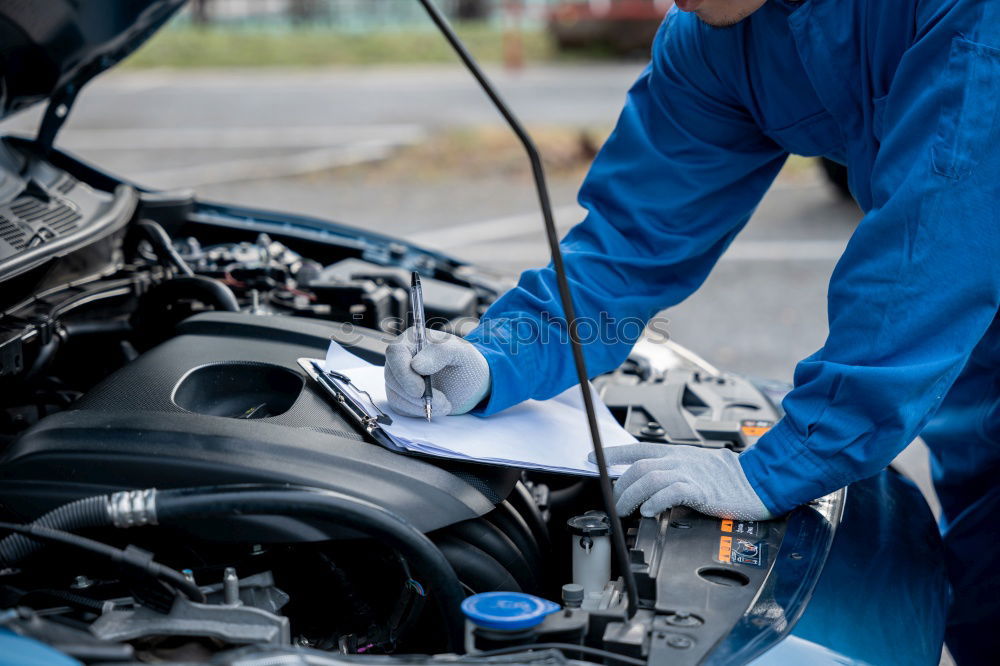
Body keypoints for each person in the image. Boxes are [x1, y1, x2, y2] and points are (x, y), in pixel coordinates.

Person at [384, 0, 999, 661]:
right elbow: (628, 245)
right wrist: (491, 360)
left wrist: (781, 467)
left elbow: (933, 243)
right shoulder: (715, 37)